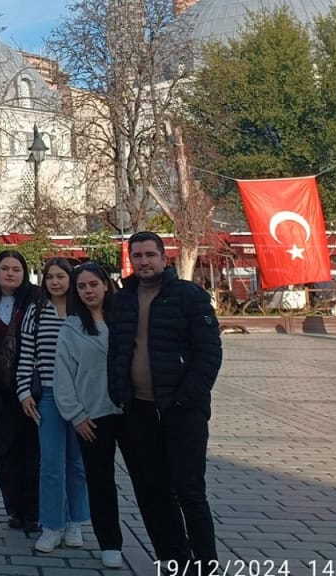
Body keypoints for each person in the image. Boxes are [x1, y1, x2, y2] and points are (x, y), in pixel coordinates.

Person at [108, 231, 223, 566]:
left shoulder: (188, 296)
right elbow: (117, 350)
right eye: (138, 256)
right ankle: (173, 561)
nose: (144, 261)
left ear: (163, 257)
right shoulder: (124, 298)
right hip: (139, 411)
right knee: (153, 491)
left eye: (150, 255)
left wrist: (187, 398)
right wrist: (120, 391)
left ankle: (206, 563)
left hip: (182, 412)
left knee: (189, 491)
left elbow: (209, 354)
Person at [53, 262, 125, 568]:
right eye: (81, 286)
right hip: (92, 416)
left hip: (129, 411)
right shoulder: (71, 328)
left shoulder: (124, 321)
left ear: (106, 285)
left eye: (93, 284)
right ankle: (110, 542)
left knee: (149, 479)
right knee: (100, 480)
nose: (88, 291)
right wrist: (76, 415)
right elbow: (62, 377)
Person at [17, 258, 90, 553]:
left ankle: (76, 522)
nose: (55, 282)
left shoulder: (83, 312)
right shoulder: (36, 312)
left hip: (81, 397)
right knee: (50, 464)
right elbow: (26, 354)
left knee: (77, 463)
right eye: (50, 277)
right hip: (47, 396)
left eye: (61, 276)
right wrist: (23, 391)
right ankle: (51, 525)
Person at [0, 250, 40, 533]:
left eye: (16, 268)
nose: (10, 273)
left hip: (32, 390)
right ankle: (14, 508)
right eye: (4, 268)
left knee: (33, 451)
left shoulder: (37, 300)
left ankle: (34, 510)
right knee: (5, 452)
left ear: (24, 272)